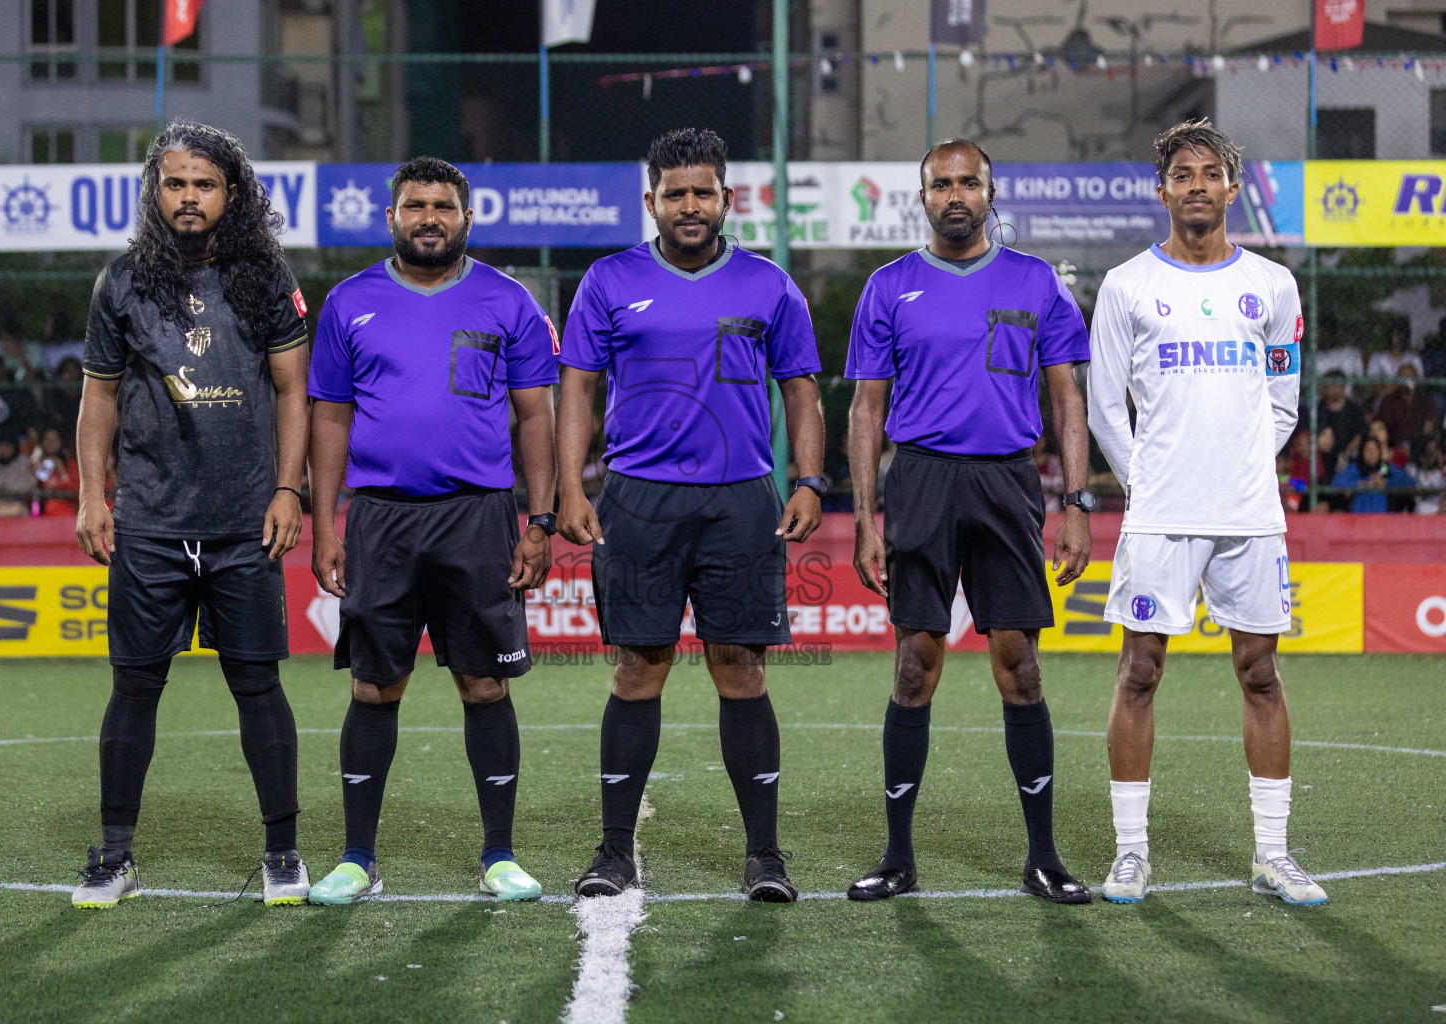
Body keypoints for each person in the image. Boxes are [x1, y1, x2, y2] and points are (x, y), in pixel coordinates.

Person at [556, 128, 825, 902]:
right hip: (639, 500)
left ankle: (765, 855)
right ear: (651, 202)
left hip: (742, 500)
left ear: (726, 199)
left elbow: (802, 390)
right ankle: (614, 852)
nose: (690, 205)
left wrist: (810, 480)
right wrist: (571, 488)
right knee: (639, 667)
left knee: (739, 668)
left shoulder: (771, 286)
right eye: (674, 193)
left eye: (703, 191)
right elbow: (577, 389)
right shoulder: (608, 281)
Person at [842, 138, 1094, 904]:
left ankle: (1043, 857)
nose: (955, 195)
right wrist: (863, 516)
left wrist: (1077, 503)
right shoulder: (889, 287)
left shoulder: (1036, 281)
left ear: (991, 191)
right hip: (918, 481)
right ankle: (897, 858)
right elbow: (866, 408)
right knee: (915, 664)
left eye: (969, 183)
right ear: (921, 196)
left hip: (1007, 483)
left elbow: (1067, 400)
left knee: (1019, 666)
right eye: (940, 184)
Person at [68, 120, 312, 910]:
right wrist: (90, 493)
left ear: (230, 193)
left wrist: (288, 490)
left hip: (245, 519)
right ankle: (114, 855)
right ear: (155, 192)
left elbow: (292, 394)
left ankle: (282, 852)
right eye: (175, 183)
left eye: (204, 184)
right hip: (148, 521)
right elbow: (98, 397)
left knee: (257, 685)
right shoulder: (121, 283)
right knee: (134, 687)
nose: (188, 197)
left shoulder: (267, 278)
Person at [304, 157, 558, 905]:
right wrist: (325, 524)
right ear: (391, 217)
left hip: (479, 515)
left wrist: (539, 521)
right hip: (379, 517)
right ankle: (357, 858)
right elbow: (329, 417)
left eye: (444, 205)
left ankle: (499, 856)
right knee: (375, 685)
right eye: (415, 205)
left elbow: (535, 415)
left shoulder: (509, 301)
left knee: (484, 684)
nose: (429, 217)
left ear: (467, 219)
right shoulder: (349, 303)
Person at [1088, 119, 1326, 907]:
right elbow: (1103, 410)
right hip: (1160, 517)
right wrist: (1148, 483)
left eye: (1210, 172)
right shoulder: (1127, 286)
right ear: (1162, 192)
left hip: (1249, 515)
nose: (1197, 184)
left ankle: (1274, 854)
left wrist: (1240, 469)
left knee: (1261, 672)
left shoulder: (1274, 284)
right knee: (1140, 671)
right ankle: (1130, 853)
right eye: (1182, 174)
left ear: (1232, 188)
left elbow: (1283, 401)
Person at [1331, 436, 1416, 513]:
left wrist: (1386, 482)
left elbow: (1410, 483)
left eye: (1376, 449)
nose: (1372, 453)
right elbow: (1335, 482)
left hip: (1385, 522)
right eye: (1368, 449)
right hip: (1358, 522)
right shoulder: (1356, 469)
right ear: (1362, 452)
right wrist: (1362, 484)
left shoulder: (1384, 468)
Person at [1315, 369, 1366, 469]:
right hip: (1323, 456)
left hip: (1350, 456)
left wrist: (1347, 453)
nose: (1334, 389)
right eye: (1330, 385)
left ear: (1343, 386)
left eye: (1337, 385)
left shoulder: (1354, 409)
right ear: (1325, 387)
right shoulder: (1318, 409)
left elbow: (1360, 434)